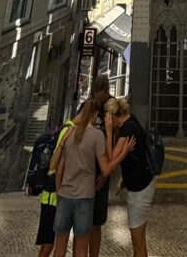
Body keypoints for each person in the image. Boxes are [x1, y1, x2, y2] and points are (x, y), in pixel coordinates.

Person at [49, 99, 135, 257]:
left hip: (65, 196)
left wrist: (60, 190)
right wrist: (124, 152)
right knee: (81, 249)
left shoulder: (69, 133)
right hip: (85, 197)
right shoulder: (97, 136)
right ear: (95, 115)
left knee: (59, 248)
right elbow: (106, 169)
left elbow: (57, 168)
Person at [105, 98, 156, 257]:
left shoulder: (127, 129)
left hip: (139, 189)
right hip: (143, 183)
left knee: (137, 240)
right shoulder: (132, 120)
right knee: (139, 239)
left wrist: (108, 132)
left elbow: (111, 158)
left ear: (113, 116)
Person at [32, 119, 73, 257]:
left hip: (50, 196)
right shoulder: (68, 130)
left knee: (48, 243)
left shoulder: (65, 128)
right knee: (48, 244)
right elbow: (54, 165)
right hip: (51, 197)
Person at [89, 75, 113, 257]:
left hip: (102, 171)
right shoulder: (89, 106)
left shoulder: (113, 108)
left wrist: (105, 174)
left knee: (96, 221)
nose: (97, 99)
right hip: (85, 171)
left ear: (106, 92)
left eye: (99, 95)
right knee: (82, 221)